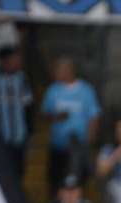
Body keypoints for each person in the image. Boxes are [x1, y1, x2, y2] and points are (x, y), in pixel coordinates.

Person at [41, 57, 100, 190]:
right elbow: (45, 115)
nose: (55, 73)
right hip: (58, 146)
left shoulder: (86, 90)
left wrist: (89, 140)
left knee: (76, 182)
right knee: (55, 181)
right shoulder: (52, 90)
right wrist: (56, 116)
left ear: (68, 71)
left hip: (78, 146)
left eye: (58, 70)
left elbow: (94, 116)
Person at [0, 45, 33, 176]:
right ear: (5, 61)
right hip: (0, 138)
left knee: (19, 171)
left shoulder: (23, 79)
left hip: (19, 136)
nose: (17, 62)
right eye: (14, 59)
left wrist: (29, 131)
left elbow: (28, 107)